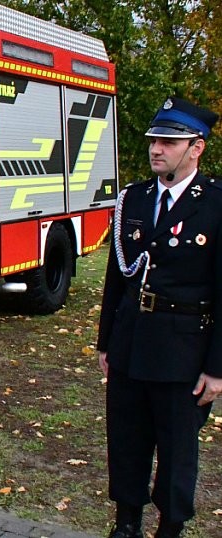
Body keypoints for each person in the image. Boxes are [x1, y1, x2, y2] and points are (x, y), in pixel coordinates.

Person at [97, 97, 222, 538]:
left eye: (169, 142)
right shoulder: (134, 197)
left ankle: (170, 527)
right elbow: (118, 277)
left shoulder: (215, 204)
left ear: (196, 147)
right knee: (127, 441)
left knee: (176, 450)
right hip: (132, 342)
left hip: (183, 349)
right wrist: (106, 343)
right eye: (154, 141)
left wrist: (217, 369)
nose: (157, 149)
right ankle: (126, 523)